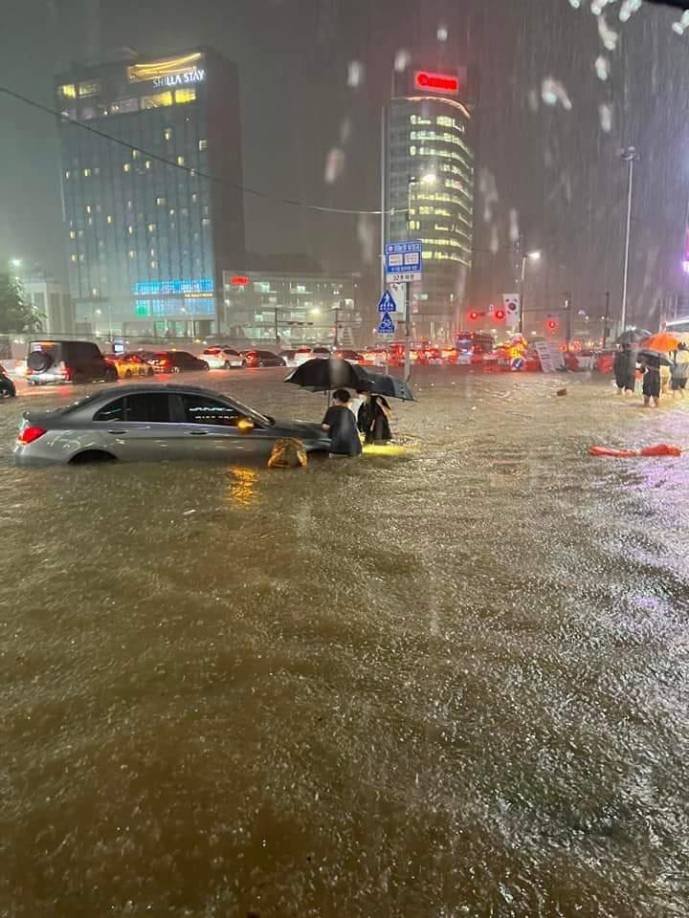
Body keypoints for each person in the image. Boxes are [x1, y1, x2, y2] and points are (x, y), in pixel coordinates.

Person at [322, 389, 362, 457]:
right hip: (356, 449)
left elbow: (326, 427)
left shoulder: (332, 410)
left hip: (339, 449)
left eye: (333, 399)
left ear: (336, 399)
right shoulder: (351, 413)